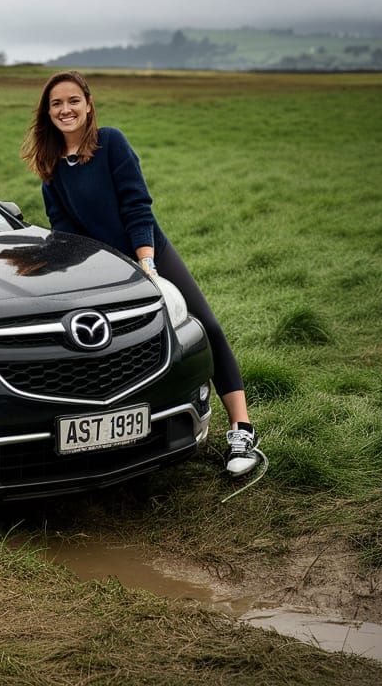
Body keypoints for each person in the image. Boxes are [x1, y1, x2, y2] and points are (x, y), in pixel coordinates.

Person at [20, 70, 259, 477]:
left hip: (149, 253)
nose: (66, 109)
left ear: (89, 104)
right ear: (47, 112)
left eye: (73, 101)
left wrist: (147, 264)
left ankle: (242, 428)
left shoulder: (111, 142)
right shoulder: (51, 167)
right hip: (104, 271)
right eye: (56, 103)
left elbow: (136, 205)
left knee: (204, 326)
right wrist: (38, 260)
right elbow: (66, 235)